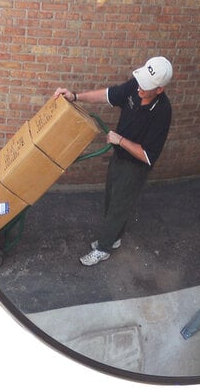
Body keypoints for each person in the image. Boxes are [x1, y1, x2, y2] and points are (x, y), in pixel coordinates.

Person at [53, 56, 173, 266]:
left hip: (136, 167)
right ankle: (114, 237)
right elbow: (108, 95)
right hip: (119, 157)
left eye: (146, 87)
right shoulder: (136, 85)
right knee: (112, 199)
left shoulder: (163, 112)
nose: (139, 89)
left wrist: (120, 140)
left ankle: (104, 248)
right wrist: (75, 96)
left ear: (160, 89)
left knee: (119, 205)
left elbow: (148, 155)